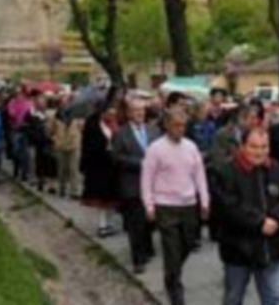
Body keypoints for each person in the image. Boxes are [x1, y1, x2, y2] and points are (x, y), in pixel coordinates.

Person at [216, 127, 279, 305]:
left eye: (264, 147)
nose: (259, 152)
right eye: (254, 147)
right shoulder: (227, 171)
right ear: (243, 146)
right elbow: (228, 208)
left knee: (274, 298)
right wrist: (259, 222)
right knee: (233, 298)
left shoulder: (277, 170)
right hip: (238, 251)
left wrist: (276, 220)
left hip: (271, 250)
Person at [141, 110, 210, 305]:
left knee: (188, 244)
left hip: (189, 205)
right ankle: (175, 291)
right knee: (171, 249)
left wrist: (204, 200)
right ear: (167, 125)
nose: (180, 130)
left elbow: (200, 176)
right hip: (165, 206)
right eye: (176, 125)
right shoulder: (155, 149)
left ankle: (171, 274)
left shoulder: (191, 147)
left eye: (183, 126)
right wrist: (149, 204)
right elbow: (147, 179)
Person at [113, 99, 160, 274]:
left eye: (142, 110)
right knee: (135, 223)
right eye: (135, 110)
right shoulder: (120, 134)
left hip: (153, 185)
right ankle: (138, 259)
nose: (140, 113)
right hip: (132, 184)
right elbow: (117, 158)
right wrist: (141, 163)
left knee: (149, 221)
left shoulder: (154, 131)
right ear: (128, 113)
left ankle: (147, 248)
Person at [80, 104, 121, 238]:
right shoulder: (93, 126)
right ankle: (102, 225)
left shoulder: (114, 126)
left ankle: (108, 224)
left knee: (111, 198)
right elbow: (88, 146)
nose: (111, 116)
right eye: (108, 113)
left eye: (112, 113)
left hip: (112, 166)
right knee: (101, 198)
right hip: (98, 166)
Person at [49, 100, 84, 198]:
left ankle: (75, 191)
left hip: (74, 145)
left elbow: (82, 129)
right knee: (62, 169)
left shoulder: (77, 116)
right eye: (63, 105)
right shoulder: (55, 118)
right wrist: (55, 139)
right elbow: (50, 131)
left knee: (74, 169)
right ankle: (62, 188)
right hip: (61, 146)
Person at [25, 92, 56, 192]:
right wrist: (33, 136)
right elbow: (26, 128)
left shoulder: (51, 114)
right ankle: (40, 181)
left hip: (49, 142)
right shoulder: (30, 113)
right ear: (36, 103)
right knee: (39, 162)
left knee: (51, 163)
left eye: (43, 102)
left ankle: (51, 185)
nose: (42, 104)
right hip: (36, 142)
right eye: (39, 102)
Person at [7, 87, 35, 181]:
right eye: (18, 94)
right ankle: (16, 169)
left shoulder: (29, 104)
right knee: (16, 151)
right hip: (15, 129)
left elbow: (32, 116)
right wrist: (14, 116)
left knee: (25, 153)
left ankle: (24, 173)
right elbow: (11, 114)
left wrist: (28, 121)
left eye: (21, 94)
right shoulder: (12, 103)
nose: (19, 96)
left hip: (25, 130)